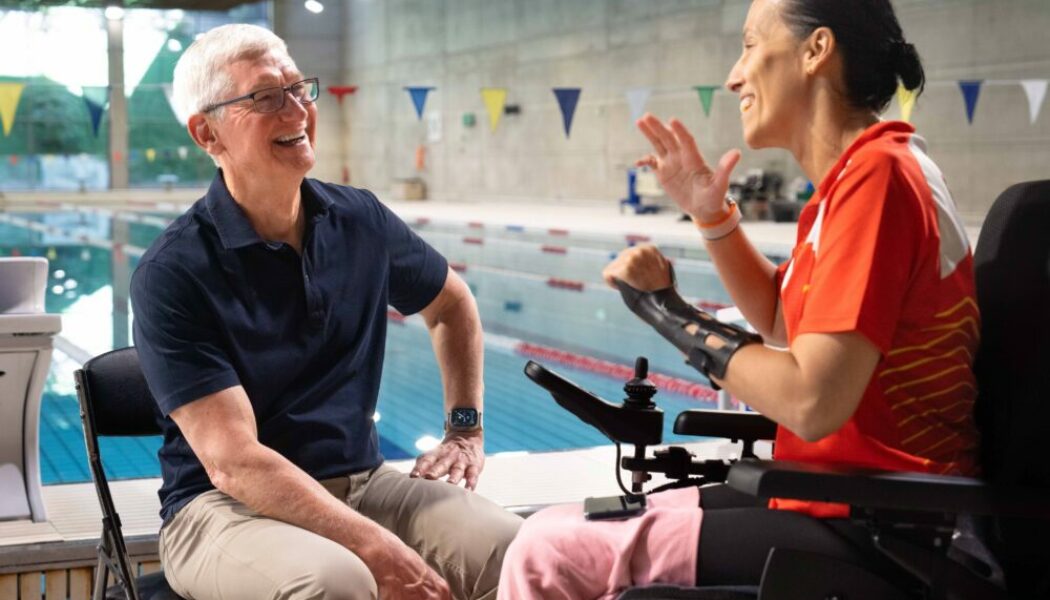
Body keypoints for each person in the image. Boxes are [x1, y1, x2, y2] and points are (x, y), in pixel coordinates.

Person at [499, 0, 979, 596]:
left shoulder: (879, 178)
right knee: (558, 529)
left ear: (815, 50)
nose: (733, 75)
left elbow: (812, 399)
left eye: (751, 44)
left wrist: (666, 313)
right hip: (839, 498)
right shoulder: (857, 181)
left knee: (551, 550)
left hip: (878, 525)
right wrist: (711, 215)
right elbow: (781, 321)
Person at [130, 24, 521, 600]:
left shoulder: (360, 220)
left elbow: (451, 305)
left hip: (361, 485)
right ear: (207, 132)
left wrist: (466, 431)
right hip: (222, 510)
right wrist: (376, 547)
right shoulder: (175, 270)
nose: (297, 109)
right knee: (336, 582)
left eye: (298, 88)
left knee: (519, 552)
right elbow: (235, 464)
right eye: (265, 96)